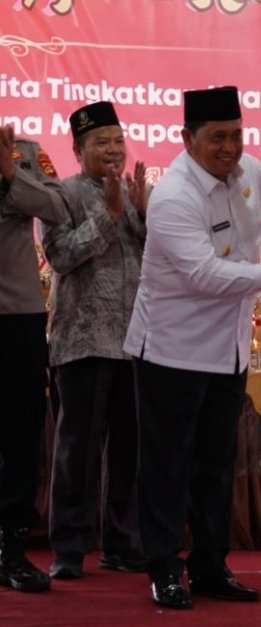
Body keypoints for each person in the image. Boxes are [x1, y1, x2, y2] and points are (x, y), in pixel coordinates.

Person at [122, 86, 261, 610]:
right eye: (217, 138)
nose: (230, 148)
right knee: (167, 465)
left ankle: (209, 567)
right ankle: (163, 569)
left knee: (216, 464)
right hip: (171, 351)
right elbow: (205, 275)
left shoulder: (248, 170)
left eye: (236, 135)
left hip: (229, 350)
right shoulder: (173, 195)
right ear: (188, 139)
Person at [41, 101, 149, 580]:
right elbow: (60, 256)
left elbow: (161, 258)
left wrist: (143, 214)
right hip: (83, 340)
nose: (113, 149)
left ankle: (122, 544)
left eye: (118, 141)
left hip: (136, 341)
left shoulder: (135, 192)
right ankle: (68, 548)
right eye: (101, 142)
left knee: (129, 450)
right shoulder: (60, 195)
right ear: (78, 150)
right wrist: (108, 215)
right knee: (77, 451)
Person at [0, 124, 68, 593]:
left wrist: (10, 174)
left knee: (20, 437)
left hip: (17, 317)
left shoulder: (26, 151)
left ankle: (12, 551)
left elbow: (59, 208)